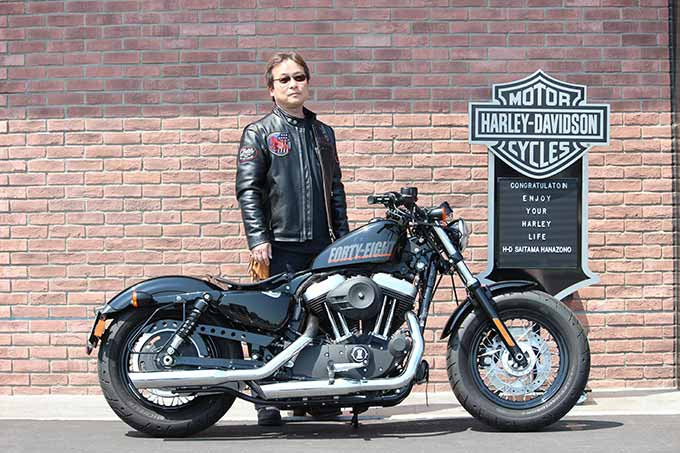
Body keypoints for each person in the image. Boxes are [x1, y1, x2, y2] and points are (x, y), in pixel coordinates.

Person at [235, 52, 349, 426]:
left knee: (323, 321)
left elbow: (336, 190)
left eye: (299, 77)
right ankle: (265, 400)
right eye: (284, 79)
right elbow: (248, 190)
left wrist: (344, 242)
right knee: (269, 323)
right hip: (277, 246)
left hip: (322, 246)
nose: (293, 84)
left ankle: (314, 397)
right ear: (271, 89)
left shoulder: (323, 133)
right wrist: (258, 239)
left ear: (308, 82)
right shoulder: (259, 133)